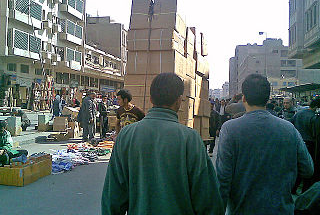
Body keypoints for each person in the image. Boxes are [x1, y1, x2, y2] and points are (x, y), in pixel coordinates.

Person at [102, 73, 224, 215]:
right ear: (179, 101)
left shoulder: (126, 135)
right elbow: (207, 200)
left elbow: (113, 195)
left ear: (151, 99)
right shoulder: (190, 139)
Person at [216, 74, 314, 214]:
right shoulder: (289, 129)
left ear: (244, 98)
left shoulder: (230, 129)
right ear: (267, 99)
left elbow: (222, 179)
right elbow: (308, 169)